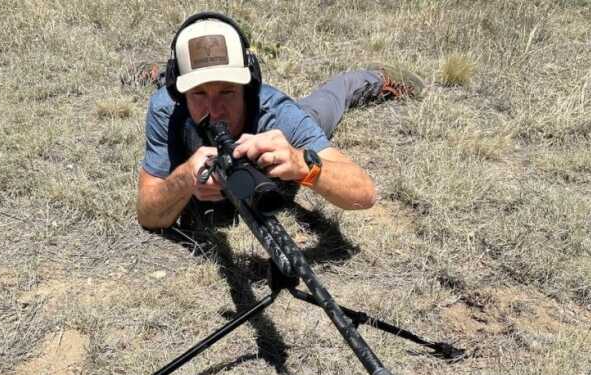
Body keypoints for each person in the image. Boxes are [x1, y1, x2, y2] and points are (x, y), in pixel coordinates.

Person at [136, 12, 424, 230]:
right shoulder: (167, 108)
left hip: (291, 120)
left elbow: (365, 193)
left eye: (227, 91)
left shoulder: (276, 114)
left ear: (248, 87)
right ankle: (155, 74)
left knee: (326, 105)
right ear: (178, 91)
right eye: (198, 92)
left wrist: (303, 165)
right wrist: (185, 177)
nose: (215, 109)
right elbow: (148, 214)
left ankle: (371, 78)